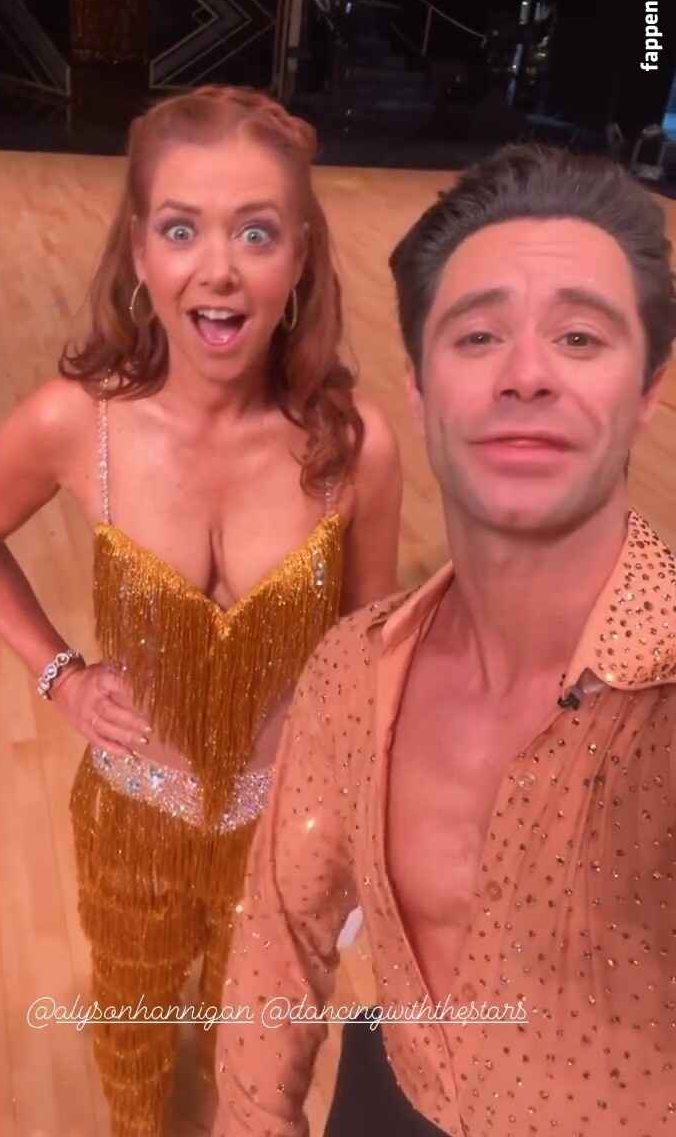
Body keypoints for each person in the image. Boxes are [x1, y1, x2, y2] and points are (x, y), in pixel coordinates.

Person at [0, 85, 402, 1137]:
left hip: (285, 827)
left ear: (301, 255)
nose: (218, 268)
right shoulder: (76, 423)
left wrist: (350, 792)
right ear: (139, 250)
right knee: (132, 1032)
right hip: (130, 821)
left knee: (257, 1044)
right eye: (181, 228)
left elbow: (372, 638)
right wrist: (59, 675)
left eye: (256, 231)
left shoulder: (356, 446)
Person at [213, 143, 676, 1137]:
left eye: (580, 336)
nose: (526, 375)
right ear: (420, 393)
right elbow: (279, 942)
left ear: (649, 387)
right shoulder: (354, 668)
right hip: (397, 1093)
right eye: (477, 336)